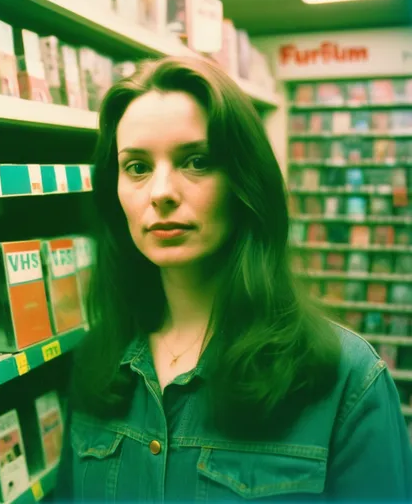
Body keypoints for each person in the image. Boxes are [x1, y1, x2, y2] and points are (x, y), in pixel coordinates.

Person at [55, 56, 412, 501]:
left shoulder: (347, 381)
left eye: (196, 161)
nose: (161, 192)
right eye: (137, 167)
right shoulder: (98, 361)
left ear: (245, 181)